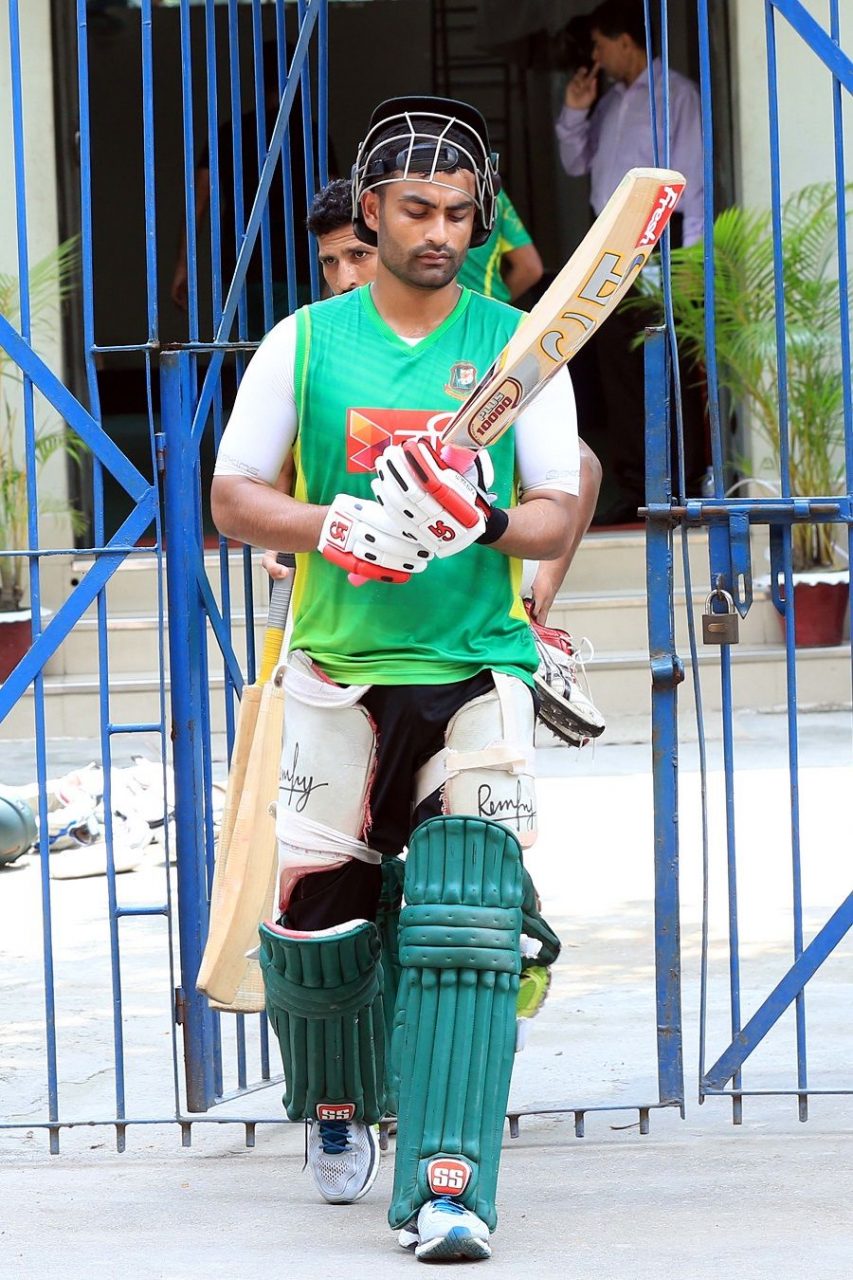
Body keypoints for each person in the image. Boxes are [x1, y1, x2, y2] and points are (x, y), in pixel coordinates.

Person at [212, 96, 583, 1262]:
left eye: (460, 214)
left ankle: (447, 1185)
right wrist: (341, 521)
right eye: (416, 209)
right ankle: (333, 1099)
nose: (440, 232)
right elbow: (233, 495)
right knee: (321, 922)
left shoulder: (519, 346)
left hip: (473, 668)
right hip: (335, 673)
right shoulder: (306, 342)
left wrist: (481, 525)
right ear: (368, 213)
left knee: (466, 923)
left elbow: (560, 507)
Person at [262, 177, 605, 743]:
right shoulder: (311, 341)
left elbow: (579, 470)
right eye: (330, 262)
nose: (344, 276)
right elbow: (262, 481)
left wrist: (539, 590)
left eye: (359, 255)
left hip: (470, 650)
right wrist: (288, 536)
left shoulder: (491, 336)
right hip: (338, 642)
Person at [555, 0, 706, 524]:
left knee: (670, 369)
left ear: (624, 42)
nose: (594, 54)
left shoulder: (675, 95)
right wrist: (575, 109)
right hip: (612, 251)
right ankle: (635, 486)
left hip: (665, 250)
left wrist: (686, 266)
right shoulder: (609, 102)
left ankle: (683, 484)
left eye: (599, 44)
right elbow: (576, 163)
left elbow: (692, 185)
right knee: (617, 367)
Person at [456, 188, 544, 304]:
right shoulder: (491, 189)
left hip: (443, 310)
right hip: (488, 305)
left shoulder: (427, 187)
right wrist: (499, 305)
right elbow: (530, 267)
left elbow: (530, 268)